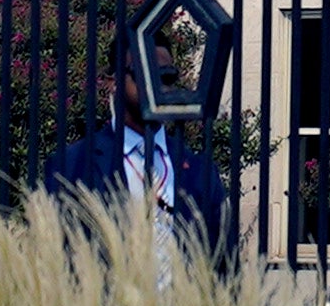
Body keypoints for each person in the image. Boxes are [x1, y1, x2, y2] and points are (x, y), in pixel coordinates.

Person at [36, 94, 235, 258]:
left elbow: (222, 258)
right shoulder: (73, 164)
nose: (154, 81)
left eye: (165, 74)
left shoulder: (199, 169)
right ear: (113, 81)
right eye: (141, 69)